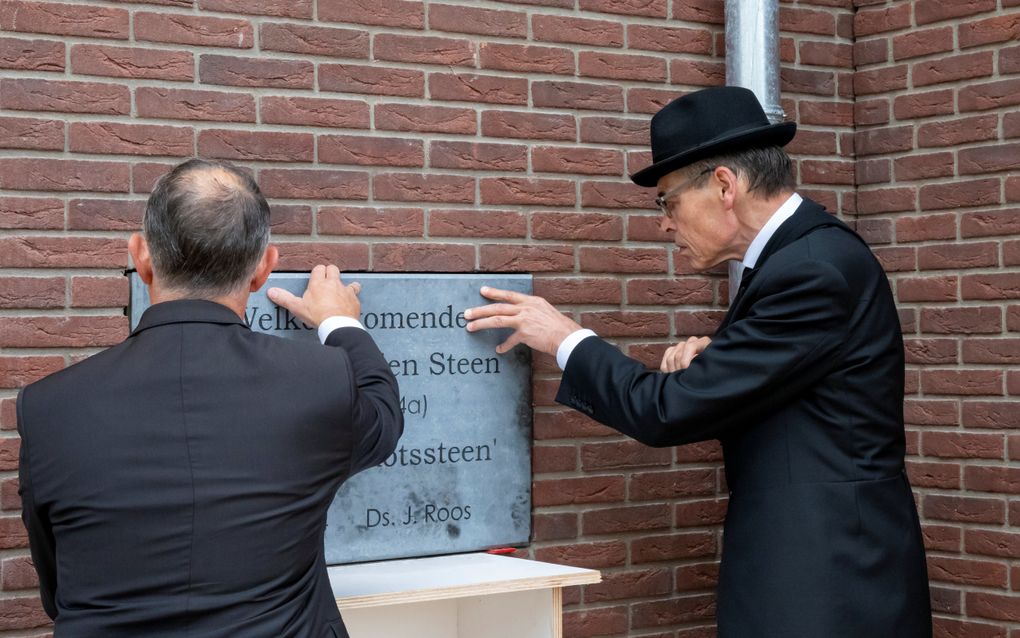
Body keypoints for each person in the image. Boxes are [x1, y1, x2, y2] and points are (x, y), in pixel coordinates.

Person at [465, 87, 932, 637]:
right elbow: (808, 385)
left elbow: (666, 412)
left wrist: (566, 338)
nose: (664, 223)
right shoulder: (800, 260)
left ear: (724, 185)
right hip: (818, 577)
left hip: (829, 589)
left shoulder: (811, 272)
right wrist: (724, 361)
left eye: (666, 201)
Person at [17, 159, 402, 637]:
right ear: (264, 268)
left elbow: (56, 586)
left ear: (141, 257)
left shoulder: (48, 406)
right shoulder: (320, 380)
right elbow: (382, 417)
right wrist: (339, 321)